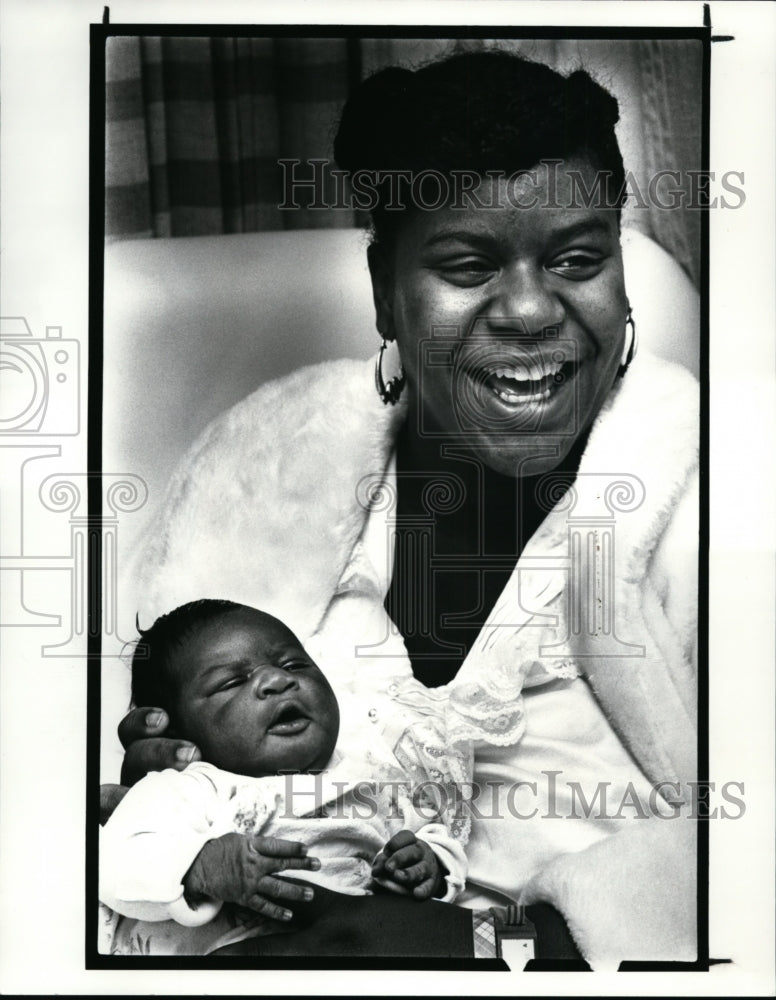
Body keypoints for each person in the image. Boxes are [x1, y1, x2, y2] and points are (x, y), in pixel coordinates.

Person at [104, 50, 699, 968]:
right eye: (467, 264)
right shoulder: (261, 472)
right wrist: (156, 792)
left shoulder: (719, 512)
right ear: (386, 289)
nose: (534, 309)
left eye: (580, 257)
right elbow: (136, 762)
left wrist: (464, 945)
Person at [100, 600, 469, 955]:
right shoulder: (190, 787)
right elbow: (113, 859)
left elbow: (429, 831)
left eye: (295, 664)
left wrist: (428, 865)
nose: (277, 680)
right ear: (174, 731)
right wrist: (201, 867)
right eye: (232, 682)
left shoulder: (369, 771)